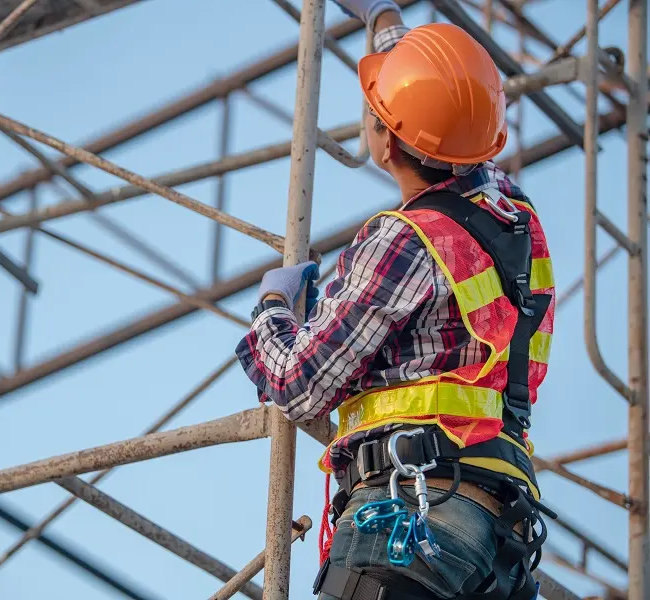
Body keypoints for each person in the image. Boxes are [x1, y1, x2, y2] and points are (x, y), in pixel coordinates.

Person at [234, 2, 556, 599]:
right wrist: (384, 22)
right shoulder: (514, 215)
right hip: (497, 535)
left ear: (384, 142)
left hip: (413, 516)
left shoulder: (403, 241)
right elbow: (446, 107)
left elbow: (299, 384)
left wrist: (271, 310)